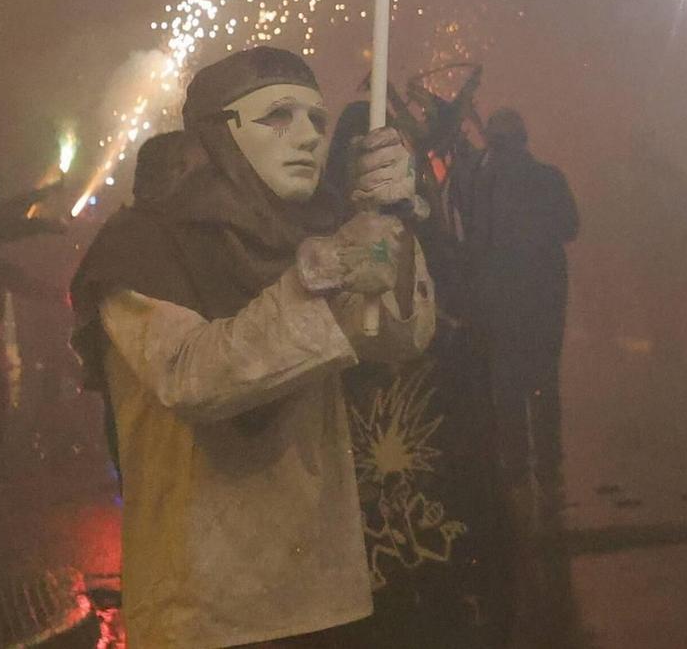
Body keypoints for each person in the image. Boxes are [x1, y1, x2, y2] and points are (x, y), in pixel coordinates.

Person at [70, 46, 437, 648]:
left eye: (318, 121)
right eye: (278, 116)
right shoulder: (141, 244)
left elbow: (393, 333)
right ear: (219, 133)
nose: (308, 137)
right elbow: (196, 378)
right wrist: (333, 263)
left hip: (322, 593)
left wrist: (388, 226)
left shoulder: (313, 235)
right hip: (207, 605)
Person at [465, 108, 578, 512]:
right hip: (546, 295)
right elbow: (571, 228)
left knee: (509, 385)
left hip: (503, 298)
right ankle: (548, 466)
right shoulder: (549, 178)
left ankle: (516, 469)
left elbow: (478, 242)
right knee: (544, 381)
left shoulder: (487, 183)